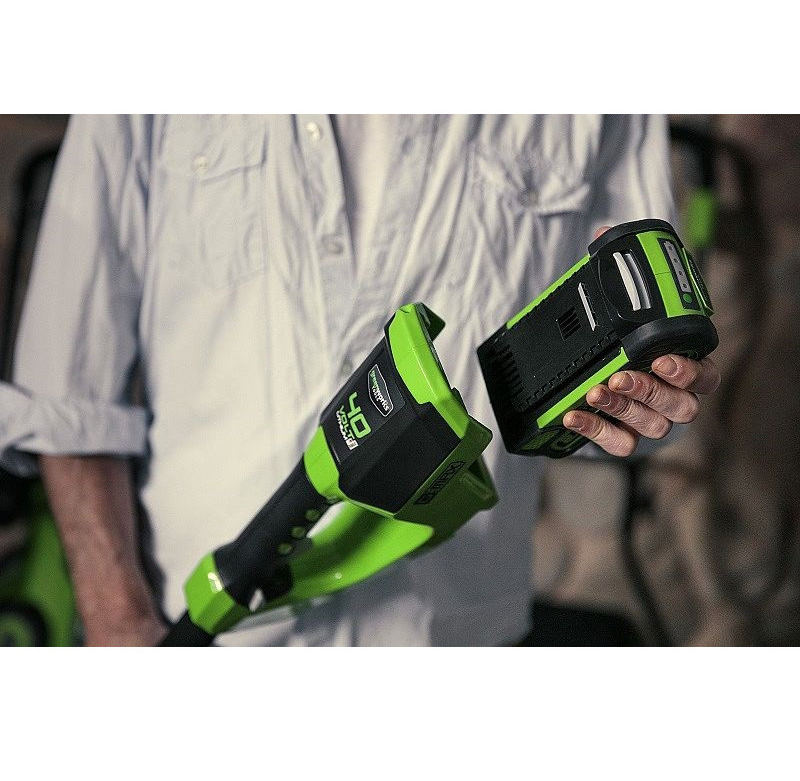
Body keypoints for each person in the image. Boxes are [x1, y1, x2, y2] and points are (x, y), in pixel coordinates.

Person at [0, 115, 720, 646]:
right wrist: (118, 622)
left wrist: (641, 404)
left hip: (449, 646)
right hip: (197, 639)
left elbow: (631, 381)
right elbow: (68, 385)